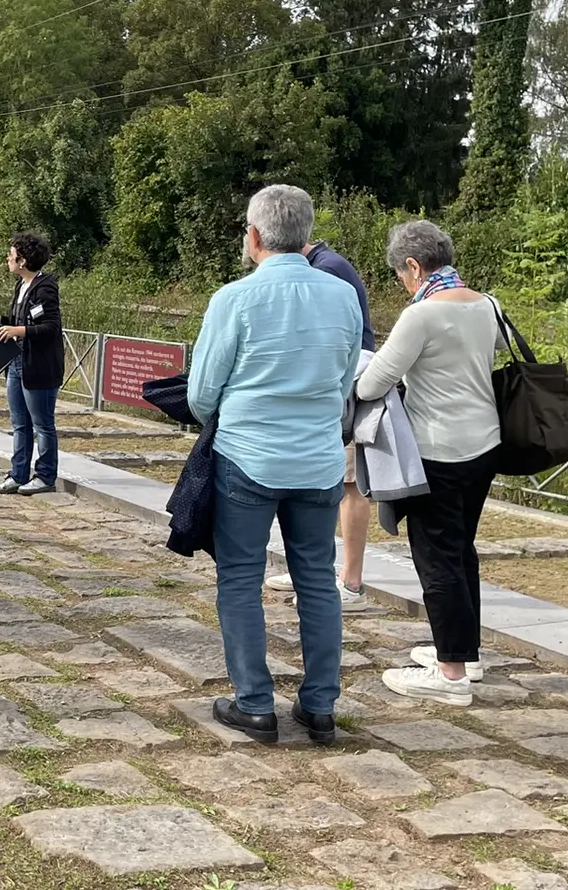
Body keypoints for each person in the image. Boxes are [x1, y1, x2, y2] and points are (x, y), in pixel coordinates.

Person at [187, 184, 362, 744]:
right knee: (317, 579)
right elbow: (344, 382)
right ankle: (320, 704)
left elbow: (201, 393)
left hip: (248, 456)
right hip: (317, 460)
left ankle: (255, 703)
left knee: (240, 576)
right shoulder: (342, 298)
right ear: (306, 234)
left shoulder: (234, 299)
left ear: (255, 236)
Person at [358, 220, 504, 707]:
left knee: (436, 558)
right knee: (462, 550)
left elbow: (373, 382)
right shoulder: (488, 304)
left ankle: (451, 674)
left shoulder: (420, 316)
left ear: (415, 266)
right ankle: (467, 653)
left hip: (435, 451)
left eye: (401, 273)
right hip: (484, 445)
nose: (402, 281)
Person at [265, 235, 379, 610]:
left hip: (342, 387)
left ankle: (351, 581)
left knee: (349, 484)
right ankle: (312, 570)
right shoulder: (322, 265)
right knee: (324, 483)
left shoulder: (327, 270)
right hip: (331, 384)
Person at [0, 232, 62, 496]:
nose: (7, 260)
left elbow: (50, 327)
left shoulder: (45, 287)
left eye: (11, 256)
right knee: (19, 423)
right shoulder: (20, 286)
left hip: (39, 366)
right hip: (17, 362)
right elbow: (18, 318)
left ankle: (45, 475)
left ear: (22, 261)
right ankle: (18, 473)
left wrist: (17, 331)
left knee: (43, 424)